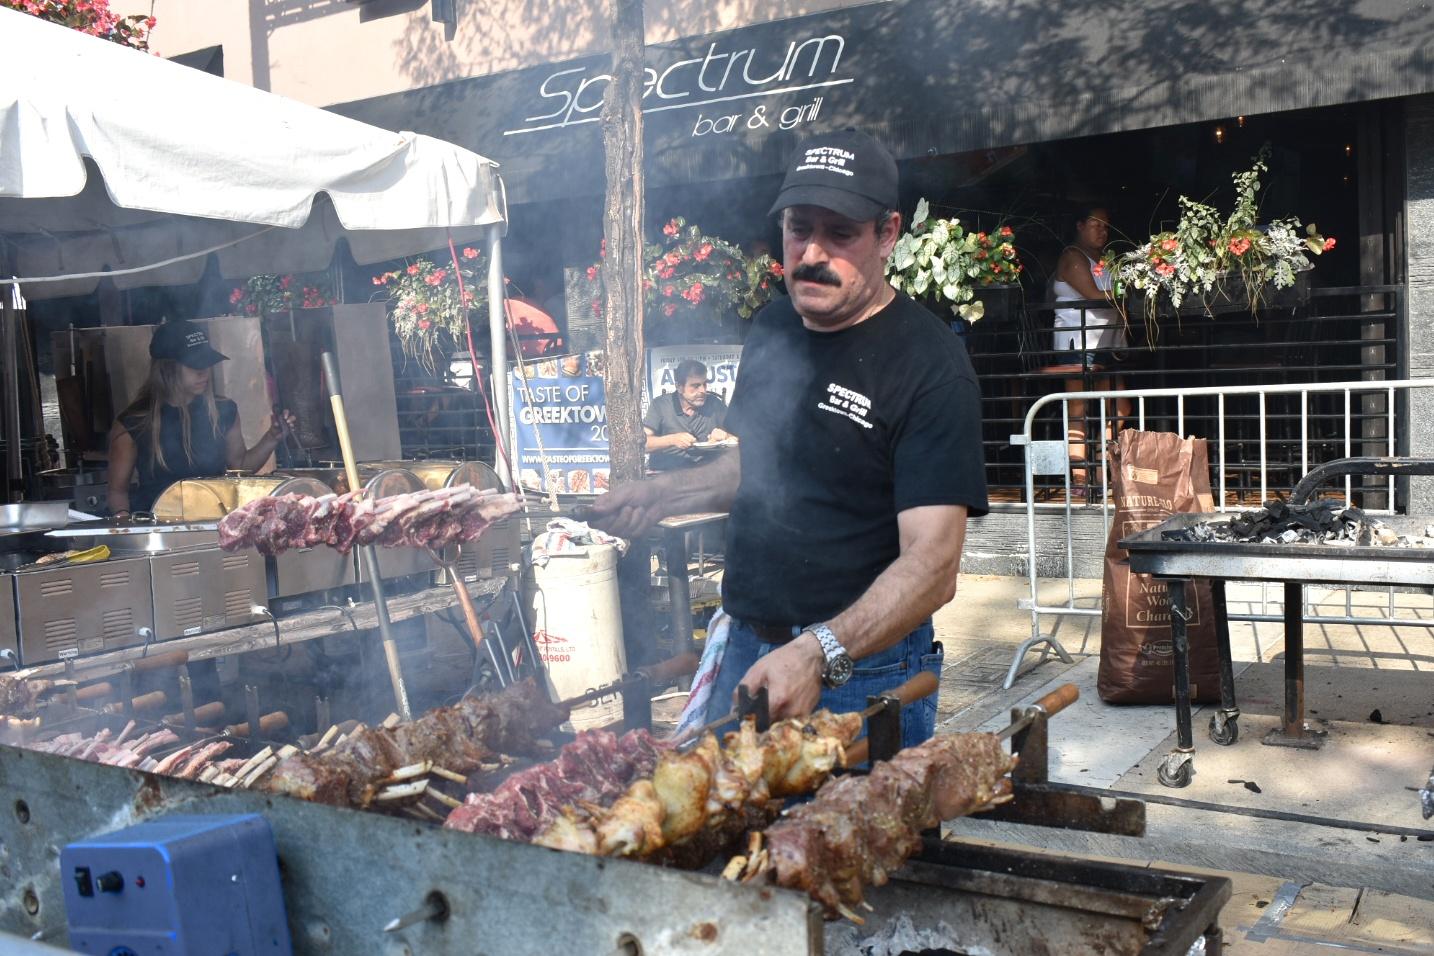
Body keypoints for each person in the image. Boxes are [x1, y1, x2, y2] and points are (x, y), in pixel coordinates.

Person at [591, 129, 988, 748]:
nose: (811, 254)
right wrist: (662, 495)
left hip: (859, 668)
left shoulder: (929, 366)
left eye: (840, 234)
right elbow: (758, 466)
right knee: (732, 836)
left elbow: (933, 565)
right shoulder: (776, 325)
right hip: (748, 645)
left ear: (887, 234)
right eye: (799, 228)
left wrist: (817, 650)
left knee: (835, 845)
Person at [107, 320, 295, 517]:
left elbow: (239, 466)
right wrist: (125, 520)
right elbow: (117, 490)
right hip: (157, 528)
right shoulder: (134, 422)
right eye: (194, 365)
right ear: (167, 368)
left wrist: (272, 438)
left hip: (215, 523)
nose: (203, 372)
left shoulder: (224, 411)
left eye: (207, 363)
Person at [1051, 207, 1132, 498]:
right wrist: (1130, 297)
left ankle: (1099, 468)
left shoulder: (1103, 259)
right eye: (1096, 225)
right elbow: (1094, 295)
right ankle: (1080, 479)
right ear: (1080, 225)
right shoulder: (1073, 256)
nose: (1102, 231)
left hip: (1105, 343)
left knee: (1121, 406)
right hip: (1078, 343)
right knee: (1078, 409)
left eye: (1106, 227)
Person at [643, 359, 733, 471]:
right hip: (668, 473)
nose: (703, 390)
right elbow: (643, 444)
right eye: (696, 386)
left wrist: (726, 436)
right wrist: (671, 440)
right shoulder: (660, 405)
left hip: (706, 473)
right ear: (679, 387)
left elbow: (740, 436)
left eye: (704, 384)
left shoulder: (714, 404)